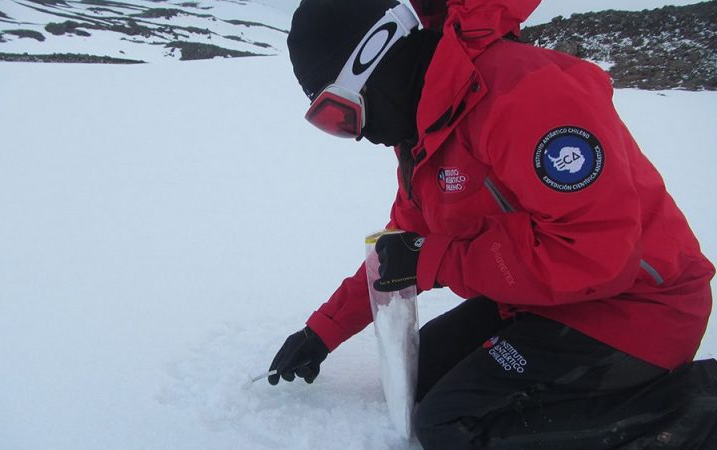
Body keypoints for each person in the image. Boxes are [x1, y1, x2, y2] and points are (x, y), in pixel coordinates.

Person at [267, 0, 717, 448]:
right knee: (417, 374)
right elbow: (402, 247)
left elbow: (595, 255)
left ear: (379, 53)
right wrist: (322, 331)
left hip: (638, 307)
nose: (359, 133)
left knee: (451, 425)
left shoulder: (524, 94)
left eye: (341, 115)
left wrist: (435, 260)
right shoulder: (426, 132)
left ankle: (690, 411)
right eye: (334, 124)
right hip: (547, 299)